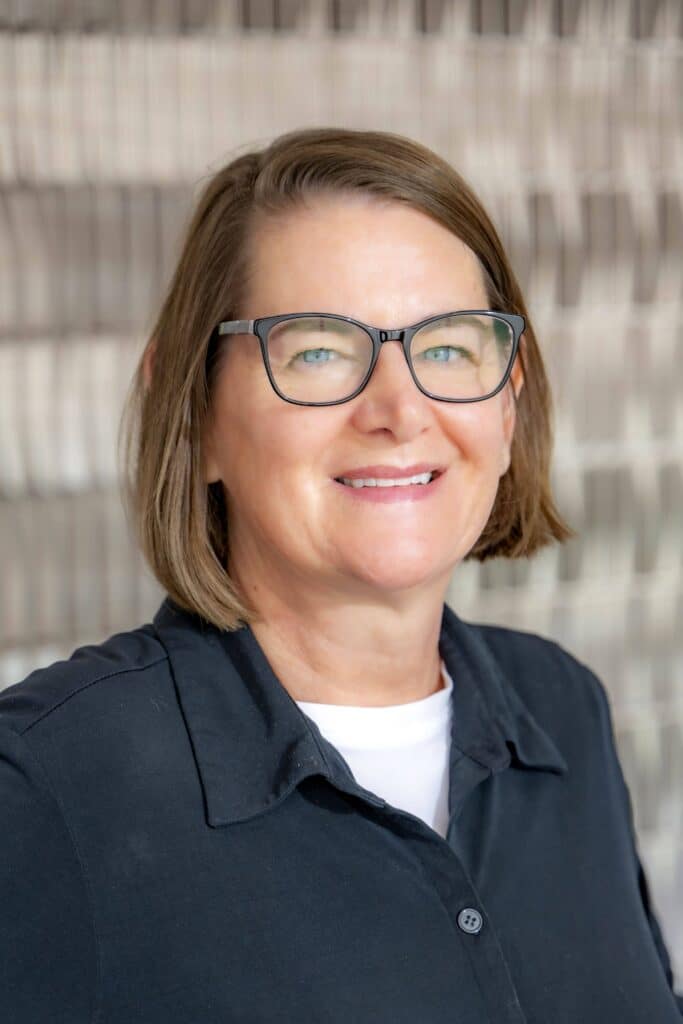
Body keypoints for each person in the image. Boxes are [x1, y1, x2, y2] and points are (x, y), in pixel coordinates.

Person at [1, 127, 680, 1023]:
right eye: (318, 350)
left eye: (447, 347)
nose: (399, 412)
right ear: (195, 410)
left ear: (509, 403)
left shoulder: (562, 714)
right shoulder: (47, 784)